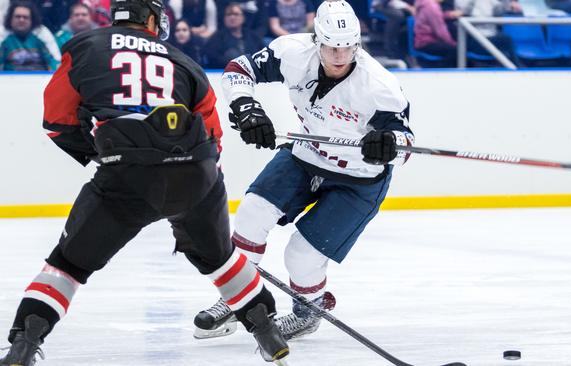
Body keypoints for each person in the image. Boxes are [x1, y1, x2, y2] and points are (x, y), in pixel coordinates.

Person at [0, 0, 288, 365]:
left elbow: (56, 120)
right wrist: (198, 191)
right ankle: (267, 330)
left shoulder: (84, 46)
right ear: (152, 19)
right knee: (220, 260)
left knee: (67, 266)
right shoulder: (184, 61)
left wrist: (101, 152)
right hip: (196, 169)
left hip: (127, 174)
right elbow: (213, 139)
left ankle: (25, 341)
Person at [193, 0, 414, 341]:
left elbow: (405, 145)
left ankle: (308, 310)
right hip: (305, 153)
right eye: (331, 47)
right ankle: (237, 298)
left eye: (348, 48)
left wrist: (387, 146)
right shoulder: (292, 51)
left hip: (356, 180)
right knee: (251, 213)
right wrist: (246, 106)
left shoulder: (378, 85)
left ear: (357, 43)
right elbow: (239, 69)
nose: (340, 57)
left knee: (301, 255)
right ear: (316, 40)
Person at [203, 3, 266, 69]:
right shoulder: (216, 38)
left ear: (243, 18)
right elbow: (212, 57)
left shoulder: (254, 37)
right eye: (229, 14)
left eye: (236, 14)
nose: (232, 17)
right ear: (224, 18)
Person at [0, 1, 59, 70]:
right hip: (9, 78)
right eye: (17, 17)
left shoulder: (42, 33)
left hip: (41, 78)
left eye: (25, 17)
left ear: (32, 20)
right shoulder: (3, 34)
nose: (21, 20)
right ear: (10, 18)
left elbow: (55, 60)